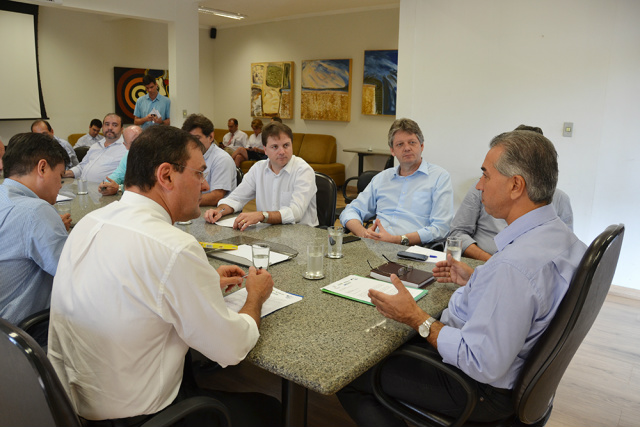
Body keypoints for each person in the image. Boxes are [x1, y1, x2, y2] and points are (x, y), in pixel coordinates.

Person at [337, 129, 587, 427]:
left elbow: (481, 362)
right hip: (516, 378)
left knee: (350, 375)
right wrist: (477, 278)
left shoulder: (514, 267)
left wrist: (418, 318)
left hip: (477, 389)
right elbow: (530, 298)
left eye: (486, 175)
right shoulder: (562, 239)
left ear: (516, 185)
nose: (479, 185)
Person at [48, 125, 281, 426]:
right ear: (166, 175)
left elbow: (135, 290)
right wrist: (255, 297)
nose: (205, 183)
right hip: (137, 415)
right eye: (199, 173)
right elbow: (232, 347)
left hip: (68, 403)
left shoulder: (90, 222)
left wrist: (204, 281)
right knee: (270, 410)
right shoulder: (174, 247)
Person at [449, 125, 574, 261]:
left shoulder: (561, 200)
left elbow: (561, 253)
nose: (480, 185)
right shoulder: (480, 188)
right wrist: (490, 262)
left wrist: (497, 264)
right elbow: (457, 233)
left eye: (486, 175)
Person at [339, 118, 454, 246]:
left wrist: (398, 239)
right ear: (392, 151)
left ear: (421, 146)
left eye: (412, 142)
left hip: (413, 250)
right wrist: (364, 234)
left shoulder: (439, 177)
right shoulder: (382, 178)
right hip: (375, 246)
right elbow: (350, 211)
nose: (407, 148)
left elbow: (441, 228)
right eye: (400, 144)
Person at [0, 133, 69, 326]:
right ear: (43, 167)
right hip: (22, 334)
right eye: (60, 177)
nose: (59, 186)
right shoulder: (36, 211)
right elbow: (74, 274)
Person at [205, 121, 318, 229]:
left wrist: (262, 215)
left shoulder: (303, 170)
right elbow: (236, 198)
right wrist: (219, 211)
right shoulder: (258, 169)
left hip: (301, 236)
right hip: (268, 232)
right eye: (275, 147)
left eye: (286, 145)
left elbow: (296, 212)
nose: (282, 151)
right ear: (265, 149)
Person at [181, 114, 237, 206]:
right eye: (188, 139)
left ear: (211, 137)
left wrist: (183, 201)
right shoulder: (188, 156)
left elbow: (216, 197)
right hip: (195, 206)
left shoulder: (222, 159)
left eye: (196, 138)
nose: (191, 143)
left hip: (216, 212)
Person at [64, 113, 127, 182]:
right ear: (103, 127)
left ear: (121, 129)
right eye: (107, 124)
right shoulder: (96, 145)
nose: (110, 128)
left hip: (104, 190)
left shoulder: (126, 149)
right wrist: (64, 173)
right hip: (82, 187)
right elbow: (82, 166)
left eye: (115, 125)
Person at [97, 125, 143, 196]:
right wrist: (107, 185)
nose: (139, 145)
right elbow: (118, 174)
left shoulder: (154, 154)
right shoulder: (128, 155)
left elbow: (145, 186)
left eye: (141, 140)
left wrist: (119, 188)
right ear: (126, 146)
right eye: (133, 143)